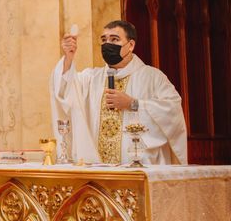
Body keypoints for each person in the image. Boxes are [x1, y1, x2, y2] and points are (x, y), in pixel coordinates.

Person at [50, 20, 187, 165]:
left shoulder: (152, 77)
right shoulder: (91, 78)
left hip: (140, 166)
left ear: (131, 45)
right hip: (98, 166)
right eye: (104, 40)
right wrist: (68, 58)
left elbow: (172, 110)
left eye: (114, 39)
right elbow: (64, 90)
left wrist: (133, 104)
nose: (107, 44)